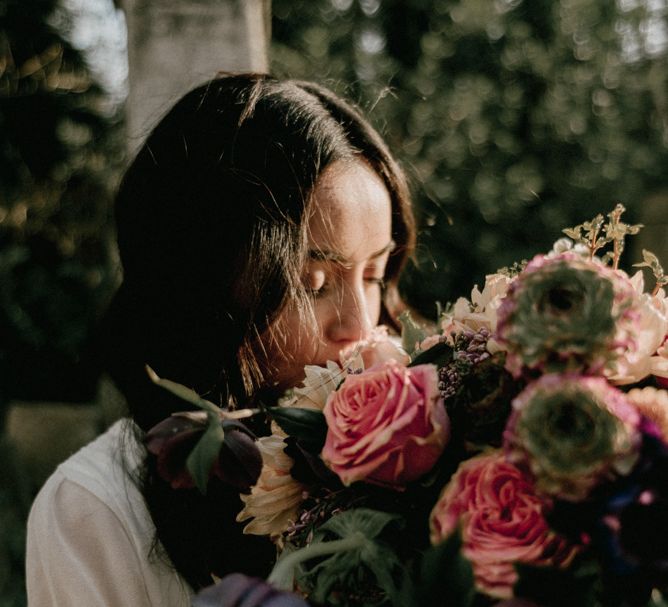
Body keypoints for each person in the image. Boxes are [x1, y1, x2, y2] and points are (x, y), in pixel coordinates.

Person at [25, 73, 415, 605]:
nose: (357, 327)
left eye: (373, 275)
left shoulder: (416, 460)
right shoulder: (96, 508)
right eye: (312, 284)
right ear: (204, 286)